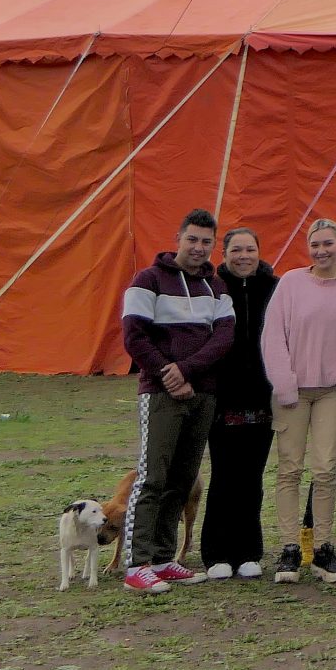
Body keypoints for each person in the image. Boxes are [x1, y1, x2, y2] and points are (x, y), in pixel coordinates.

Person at [119, 208, 236, 595]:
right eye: (193, 239)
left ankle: (164, 557)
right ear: (178, 238)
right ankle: (137, 564)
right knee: (152, 475)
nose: (199, 247)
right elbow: (134, 336)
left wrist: (186, 370)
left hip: (202, 394)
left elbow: (223, 338)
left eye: (206, 241)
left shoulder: (217, 288)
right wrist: (169, 372)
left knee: (182, 479)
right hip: (161, 393)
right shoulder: (147, 280)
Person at [261, 219, 336, 585]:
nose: (320, 251)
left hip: (332, 389)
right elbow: (273, 336)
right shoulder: (290, 283)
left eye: (327, 244)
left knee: (325, 469)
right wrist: (284, 384)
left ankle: (322, 548)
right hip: (292, 392)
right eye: (314, 244)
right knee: (289, 469)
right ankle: (289, 548)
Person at [198, 226, 278, 581]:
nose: (243, 256)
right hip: (223, 398)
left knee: (252, 477)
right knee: (224, 476)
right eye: (236, 250)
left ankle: (249, 551)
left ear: (259, 252)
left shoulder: (274, 289)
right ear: (224, 253)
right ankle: (216, 553)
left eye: (250, 249)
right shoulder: (212, 288)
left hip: (262, 397)